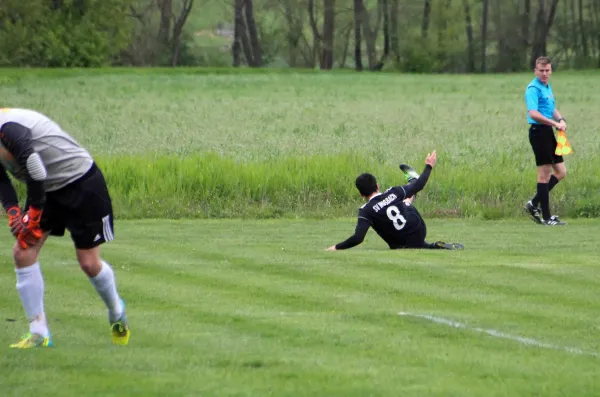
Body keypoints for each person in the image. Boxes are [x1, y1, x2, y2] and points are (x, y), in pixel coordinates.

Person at [0, 107, 130, 348]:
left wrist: (34, 213)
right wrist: (14, 212)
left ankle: (116, 311)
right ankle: (39, 333)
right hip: (44, 189)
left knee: (89, 263)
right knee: (23, 253)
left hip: (80, 182)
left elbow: (35, 166)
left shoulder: (8, 128)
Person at [326, 151, 464, 251]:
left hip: (400, 244)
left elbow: (358, 238)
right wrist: (428, 166)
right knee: (406, 201)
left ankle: (412, 183)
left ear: (361, 194)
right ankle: (433, 246)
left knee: (404, 202)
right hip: (419, 230)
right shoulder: (393, 192)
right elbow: (420, 186)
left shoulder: (365, 211)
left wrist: (335, 247)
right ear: (377, 186)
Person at [523, 56, 567, 226]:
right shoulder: (533, 88)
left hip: (548, 132)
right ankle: (547, 218)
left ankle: (533, 203)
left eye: (547, 70)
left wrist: (561, 119)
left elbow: (551, 108)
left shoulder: (547, 87)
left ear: (551, 70)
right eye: (541, 70)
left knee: (561, 172)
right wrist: (555, 123)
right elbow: (533, 113)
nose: (544, 73)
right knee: (544, 174)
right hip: (538, 132)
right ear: (535, 71)